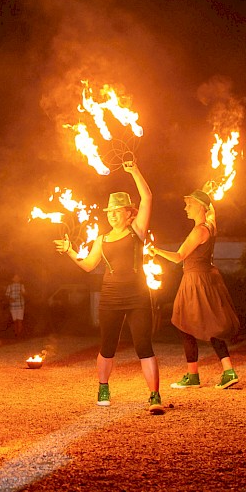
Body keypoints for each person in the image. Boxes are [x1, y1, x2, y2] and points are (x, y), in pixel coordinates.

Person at [56, 162, 164, 413]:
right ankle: (103, 386)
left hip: (137, 295)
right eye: (110, 211)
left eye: (118, 211)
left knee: (143, 346)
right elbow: (88, 265)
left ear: (130, 214)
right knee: (107, 346)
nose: (112, 215)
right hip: (111, 296)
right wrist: (71, 251)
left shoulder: (137, 231)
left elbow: (147, 196)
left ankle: (154, 395)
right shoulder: (101, 240)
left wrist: (134, 170)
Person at [152, 189, 241, 389]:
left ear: (200, 207)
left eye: (189, 204)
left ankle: (194, 376)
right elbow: (212, 210)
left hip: (195, 281)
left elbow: (178, 256)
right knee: (210, 324)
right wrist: (207, 191)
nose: (185, 208)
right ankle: (227, 371)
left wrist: (155, 250)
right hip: (207, 278)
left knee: (184, 323)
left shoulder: (199, 230)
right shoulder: (211, 224)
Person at [4, 273, 26, 338]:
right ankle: (16, 334)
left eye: (18, 277)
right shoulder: (10, 286)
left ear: (19, 279)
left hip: (20, 305)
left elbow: (25, 293)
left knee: (19, 320)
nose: (16, 279)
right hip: (13, 306)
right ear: (12, 279)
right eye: (15, 277)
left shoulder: (21, 286)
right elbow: (7, 295)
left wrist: (23, 293)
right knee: (15, 321)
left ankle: (20, 334)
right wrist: (10, 299)